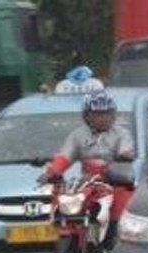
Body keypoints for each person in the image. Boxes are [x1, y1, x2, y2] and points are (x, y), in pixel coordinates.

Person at [37, 90, 135, 245]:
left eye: (107, 113)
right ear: (87, 116)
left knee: (122, 199)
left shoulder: (122, 134)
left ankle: (113, 240)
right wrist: (51, 172)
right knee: (66, 200)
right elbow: (64, 156)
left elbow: (126, 153)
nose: (103, 118)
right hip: (88, 181)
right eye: (97, 114)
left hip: (114, 180)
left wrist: (124, 158)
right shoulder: (77, 135)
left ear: (113, 115)